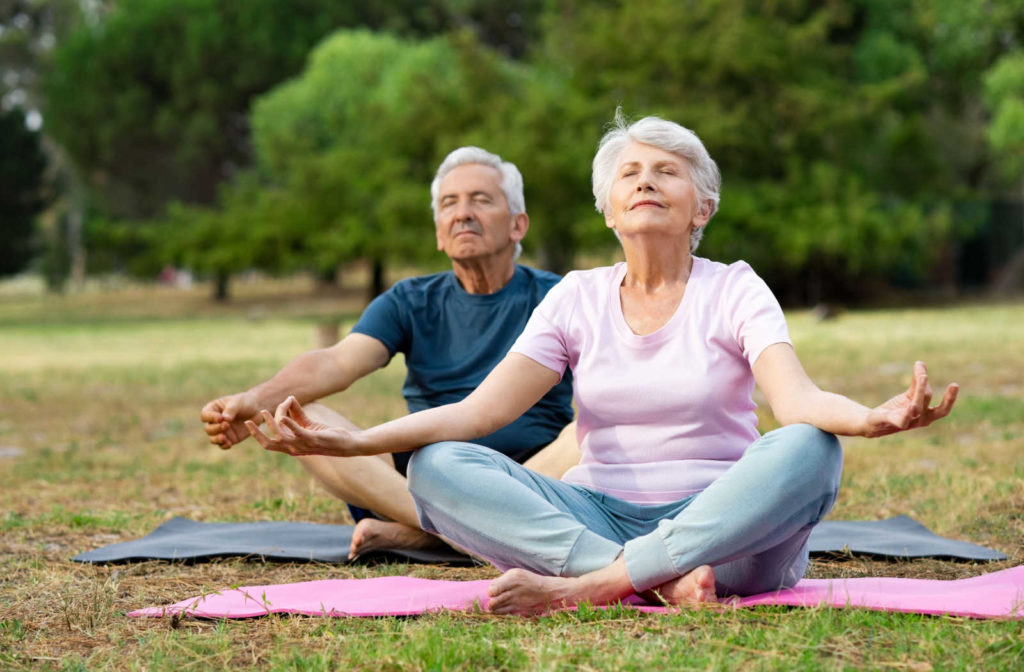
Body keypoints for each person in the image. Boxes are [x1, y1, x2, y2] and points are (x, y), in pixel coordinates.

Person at [245, 113, 958, 614]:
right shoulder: (578, 297)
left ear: (701, 203)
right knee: (438, 464)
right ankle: (640, 578)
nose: (646, 180)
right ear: (608, 208)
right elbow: (479, 414)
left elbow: (795, 401)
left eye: (667, 172)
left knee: (810, 449)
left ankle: (594, 586)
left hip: (727, 532)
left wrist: (871, 417)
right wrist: (358, 440)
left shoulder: (735, 286)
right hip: (600, 519)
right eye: (630, 172)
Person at [200, 146, 577, 559]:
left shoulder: (561, 296)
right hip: (424, 478)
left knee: (586, 435)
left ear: (518, 225)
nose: (463, 213)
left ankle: (427, 535)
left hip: (533, 474)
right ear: (438, 231)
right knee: (301, 415)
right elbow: (338, 362)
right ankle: (462, 532)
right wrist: (255, 400)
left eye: (481, 200)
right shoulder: (409, 300)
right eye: (449, 203)